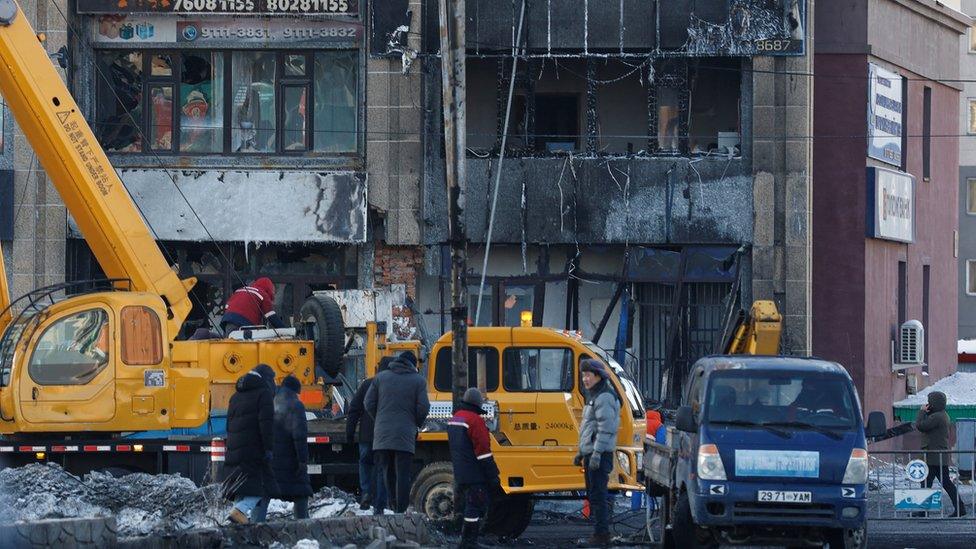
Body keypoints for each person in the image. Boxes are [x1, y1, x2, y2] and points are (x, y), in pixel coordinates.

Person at [365, 351, 430, 513]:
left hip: (382, 434)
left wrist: (379, 419)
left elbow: (368, 402)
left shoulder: (381, 378)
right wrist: (415, 423)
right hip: (405, 434)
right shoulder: (419, 381)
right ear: (413, 365)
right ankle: (400, 510)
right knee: (403, 473)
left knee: (386, 471)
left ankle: (388, 506)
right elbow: (423, 407)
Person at [573, 359, 620, 547]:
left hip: (598, 455)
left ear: (598, 376)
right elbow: (589, 427)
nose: (585, 379)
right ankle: (599, 534)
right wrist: (581, 452)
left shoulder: (604, 397)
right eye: (583, 375)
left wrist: (597, 453)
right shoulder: (594, 395)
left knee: (598, 496)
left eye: (588, 375)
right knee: (594, 495)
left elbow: (605, 428)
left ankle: (602, 536)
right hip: (591, 453)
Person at [225, 364, 278, 524]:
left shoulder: (235, 396)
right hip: (254, 449)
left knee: (242, 487)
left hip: (235, 449)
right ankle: (240, 511)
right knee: (262, 488)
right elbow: (266, 425)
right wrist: (269, 448)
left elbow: (228, 425)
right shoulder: (264, 395)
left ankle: (238, 525)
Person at [448, 387, 500, 549]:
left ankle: (463, 539)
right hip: (475, 472)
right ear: (477, 403)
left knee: (465, 505)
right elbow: (483, 451)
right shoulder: (475, 421)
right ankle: (469, 542)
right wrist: (493, 475)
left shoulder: (455, 418)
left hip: (460, 471)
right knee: (475, 505)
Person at [346, 356, 393, 512]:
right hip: (384, 436)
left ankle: (366, 492)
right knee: (381, 469)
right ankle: (380, 505)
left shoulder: (367, 384)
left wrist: (350, 432)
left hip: (366, 435)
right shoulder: (393, 385)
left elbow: (354, 409)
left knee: (365, 463)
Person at [915, 391, 967, 517]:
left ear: (934, 403)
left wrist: (922, 412)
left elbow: (921, 426)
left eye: (930, 401)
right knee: (935, 483)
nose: (928, 404)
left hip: (934, 456)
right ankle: (959, 509)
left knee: (935, 483)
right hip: (936, 456)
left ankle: (924, 511)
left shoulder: (937, 417)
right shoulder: (942, 415)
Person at [272, 375, 313, 519]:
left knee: (270, 492)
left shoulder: (273, 403)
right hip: (291, 459)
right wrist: (302, 460)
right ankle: (303, 525)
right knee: (301, 493)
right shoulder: (296, 405)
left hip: (275, 457)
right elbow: (299, 436)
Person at [220, 277, 285, 335]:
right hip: (244, 325)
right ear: (269, 289)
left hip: (227, 323)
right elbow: (271, 317)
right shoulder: (263, 294)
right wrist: (286, 331)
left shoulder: (240, 290)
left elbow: (227, 307)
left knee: (231, 344)